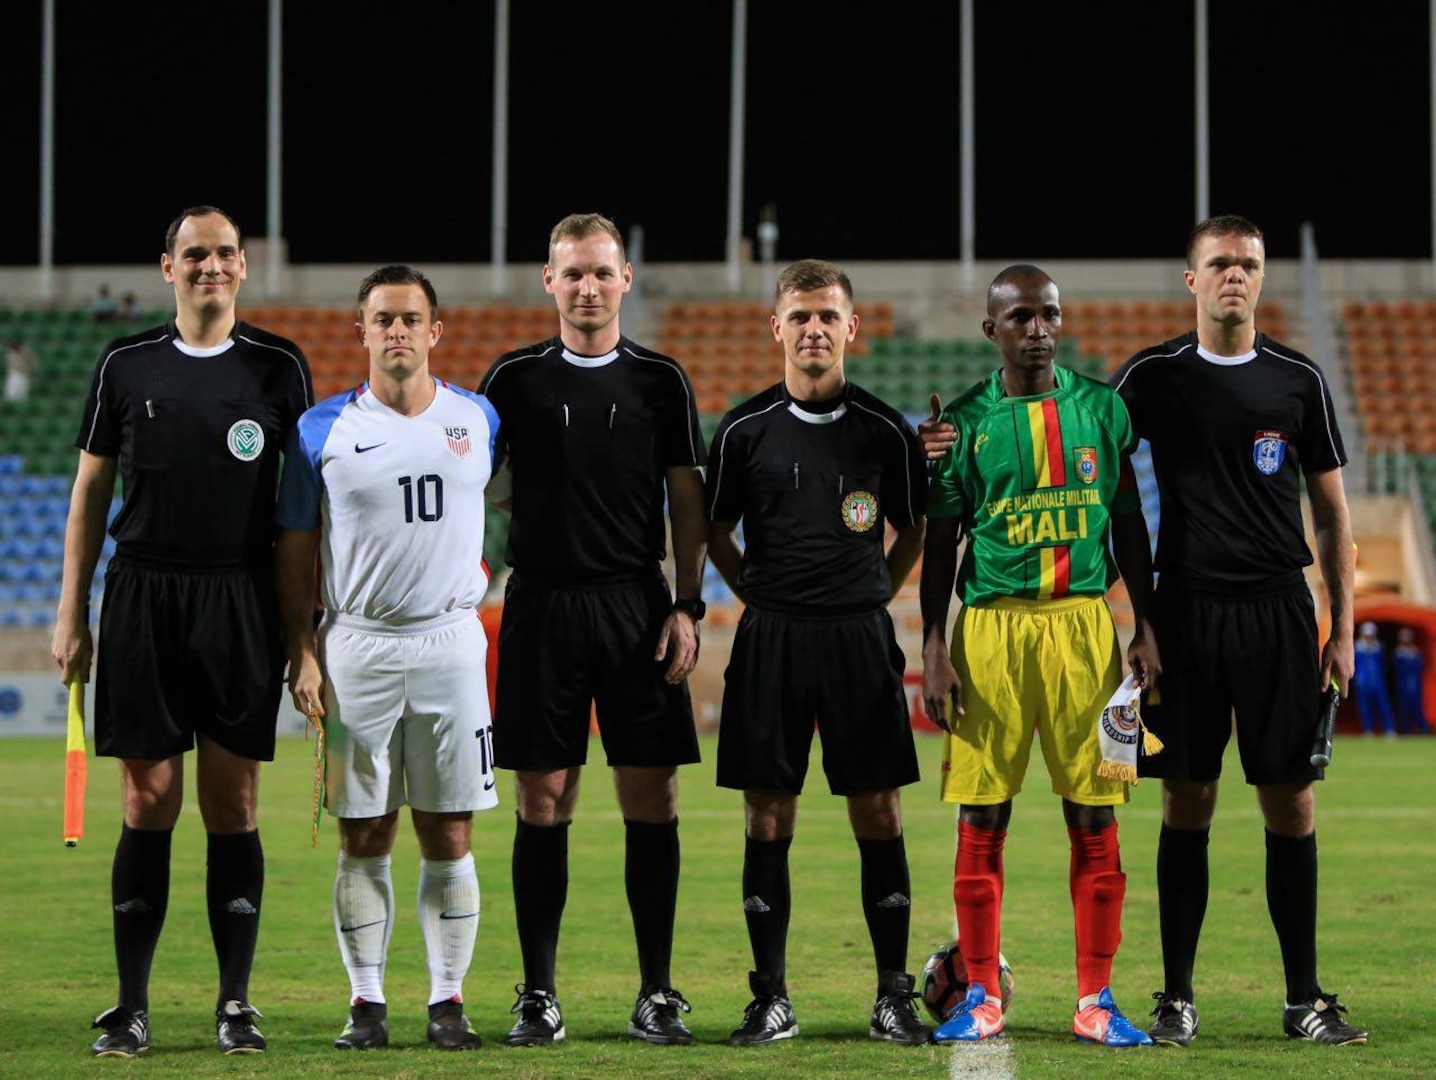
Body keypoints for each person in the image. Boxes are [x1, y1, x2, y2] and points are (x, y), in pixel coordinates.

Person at [50, 205, 313, 1058]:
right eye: (196, 254)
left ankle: (235, 1004)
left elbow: (301, 517)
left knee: (232, 803)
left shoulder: (279, 366)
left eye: (226, 254)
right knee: (147, 799)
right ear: (167, 267)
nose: (213, 267)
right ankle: (130, 1005)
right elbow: (90, 492)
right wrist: (70, 611)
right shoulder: (125, 363)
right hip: (143, 597)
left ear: (244, 267)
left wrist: (302, 638)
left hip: (239, 598)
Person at [1109, 215, 1366, 1046]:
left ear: (1262, 278)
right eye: (1218, 263)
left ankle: (1302, 999)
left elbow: (1330, 515)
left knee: (1289, 802)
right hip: (1183, 615)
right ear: (1191, 279)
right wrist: (1141, 619)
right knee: (1187, 800)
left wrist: (1342, 625)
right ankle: (1177, 998)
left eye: (1247, 264)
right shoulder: (1151, 376)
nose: (1234, 276)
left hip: (1279, 612)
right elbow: (1110, 497)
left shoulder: (1299, 380)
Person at [477, 212, 707, 1047]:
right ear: (549, 281)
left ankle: (656, 991)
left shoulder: (660, 381)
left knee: (651, 793)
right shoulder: (511, 380)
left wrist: (687, 602)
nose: (586, 287)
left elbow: (687, 498)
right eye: (571, 273)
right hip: (538, 602)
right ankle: (538, 993)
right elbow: (475, 481)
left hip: (636, 604)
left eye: (601, 273)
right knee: (542, 798)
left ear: (625, 280)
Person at [918, 264, 1156, 1048]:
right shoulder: (965, 423)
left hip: (1086, 632)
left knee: (1095, 815)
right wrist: (932, 644)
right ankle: (980, 993)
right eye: (1020, 316)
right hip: (987, 632)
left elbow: (1128, 524)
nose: (1039, 328)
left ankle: (1097, 999)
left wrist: (1142, 624)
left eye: (1048, 314)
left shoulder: (1103, 411)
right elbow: (944, 541)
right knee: (983, 813)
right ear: (992, 329)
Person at [705, 258, 931, 1047]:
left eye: (827, 316)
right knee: (768, 813)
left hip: (858, 639)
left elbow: (917, 530)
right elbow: (711, 528)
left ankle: (892, 996)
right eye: (798, 316)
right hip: (771, 639)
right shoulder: (741, 431)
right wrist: (752, 594)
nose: (813, 329)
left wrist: (874, 591)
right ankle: (770, 997)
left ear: (851, 328)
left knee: (878, 808)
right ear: (777, 327)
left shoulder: (884, 432)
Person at [274, 265, 499, 1052]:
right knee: (361, 833)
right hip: (356, 648)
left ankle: (448, 1000)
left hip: (450, 645)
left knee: (450, 831)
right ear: (360, 331)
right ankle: (365, 1003)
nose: (397, 331)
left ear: (436, 332)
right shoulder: (319, 430)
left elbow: (503, 501)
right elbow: (296, 547)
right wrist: (302, 650)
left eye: (410, 319)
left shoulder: (479, 417)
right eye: (383, 319)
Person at [1353, 621, 1397, 737]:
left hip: (1377, 681)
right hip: (1363, 681)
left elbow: (1384, 665)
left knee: (1383, 705)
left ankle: (1389, 729)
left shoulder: (1378, 647)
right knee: (1365, 707)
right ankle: (1368, 730)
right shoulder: (1357, 647)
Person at [1392, 626, 1430, 734]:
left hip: (1414, 684)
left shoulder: (1416, 653)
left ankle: (1423, 730)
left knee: (1418, 708)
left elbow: (1421, 667)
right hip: (1403, 685)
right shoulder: (1398, 654)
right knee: (1404, 709)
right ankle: (1405, 731)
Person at [4, 336, 37, 403]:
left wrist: (27, 353)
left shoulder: (25, 352)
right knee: (11, 396)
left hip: (24, 376)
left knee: (22, 397)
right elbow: (15, 365)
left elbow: (34, 358)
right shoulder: (10, 354)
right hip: (15, 376)